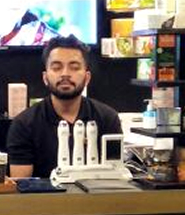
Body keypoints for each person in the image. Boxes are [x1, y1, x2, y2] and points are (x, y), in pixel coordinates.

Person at [7, 35, 122, 179]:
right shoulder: (24, 124)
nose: (65, 74)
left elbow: (116, 178)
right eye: (57, 68)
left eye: (74, 68)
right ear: (45, 77)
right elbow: (21, 184)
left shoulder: (107, 119)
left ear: (87, 78)